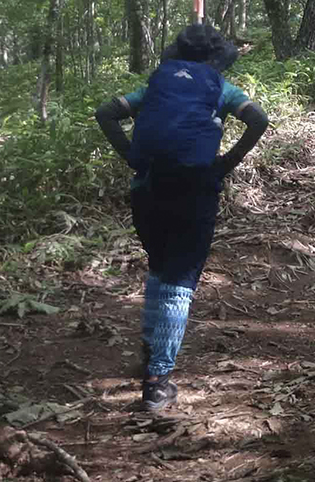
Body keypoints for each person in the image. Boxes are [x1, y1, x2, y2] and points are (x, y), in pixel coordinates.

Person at [94, 22, 269, 412]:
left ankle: (148, 348)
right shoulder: (221, 89)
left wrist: (131, 158)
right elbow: (258, 120)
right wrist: (225, 165)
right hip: (194, 193)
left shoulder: (158, 83)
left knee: (159, 269)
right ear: (216, 58)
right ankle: (158, 382)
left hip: (148, 191)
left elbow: (106, 113)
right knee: (179, 283)